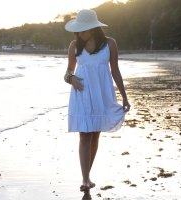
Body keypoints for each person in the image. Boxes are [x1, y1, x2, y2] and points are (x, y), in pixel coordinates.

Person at [64, 9, 130, 193]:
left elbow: (115, 70)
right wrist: (72, 79)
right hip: (82, 94)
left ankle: (88, 174)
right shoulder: (74, 46)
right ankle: (85, 179)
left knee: (94, 135)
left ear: (93, 28)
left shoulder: (110, 44)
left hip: (102, 93)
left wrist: (124, 96)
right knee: (85, 135)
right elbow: (67, 73)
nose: (80, 33)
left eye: (83, 30)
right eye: (79, 30)